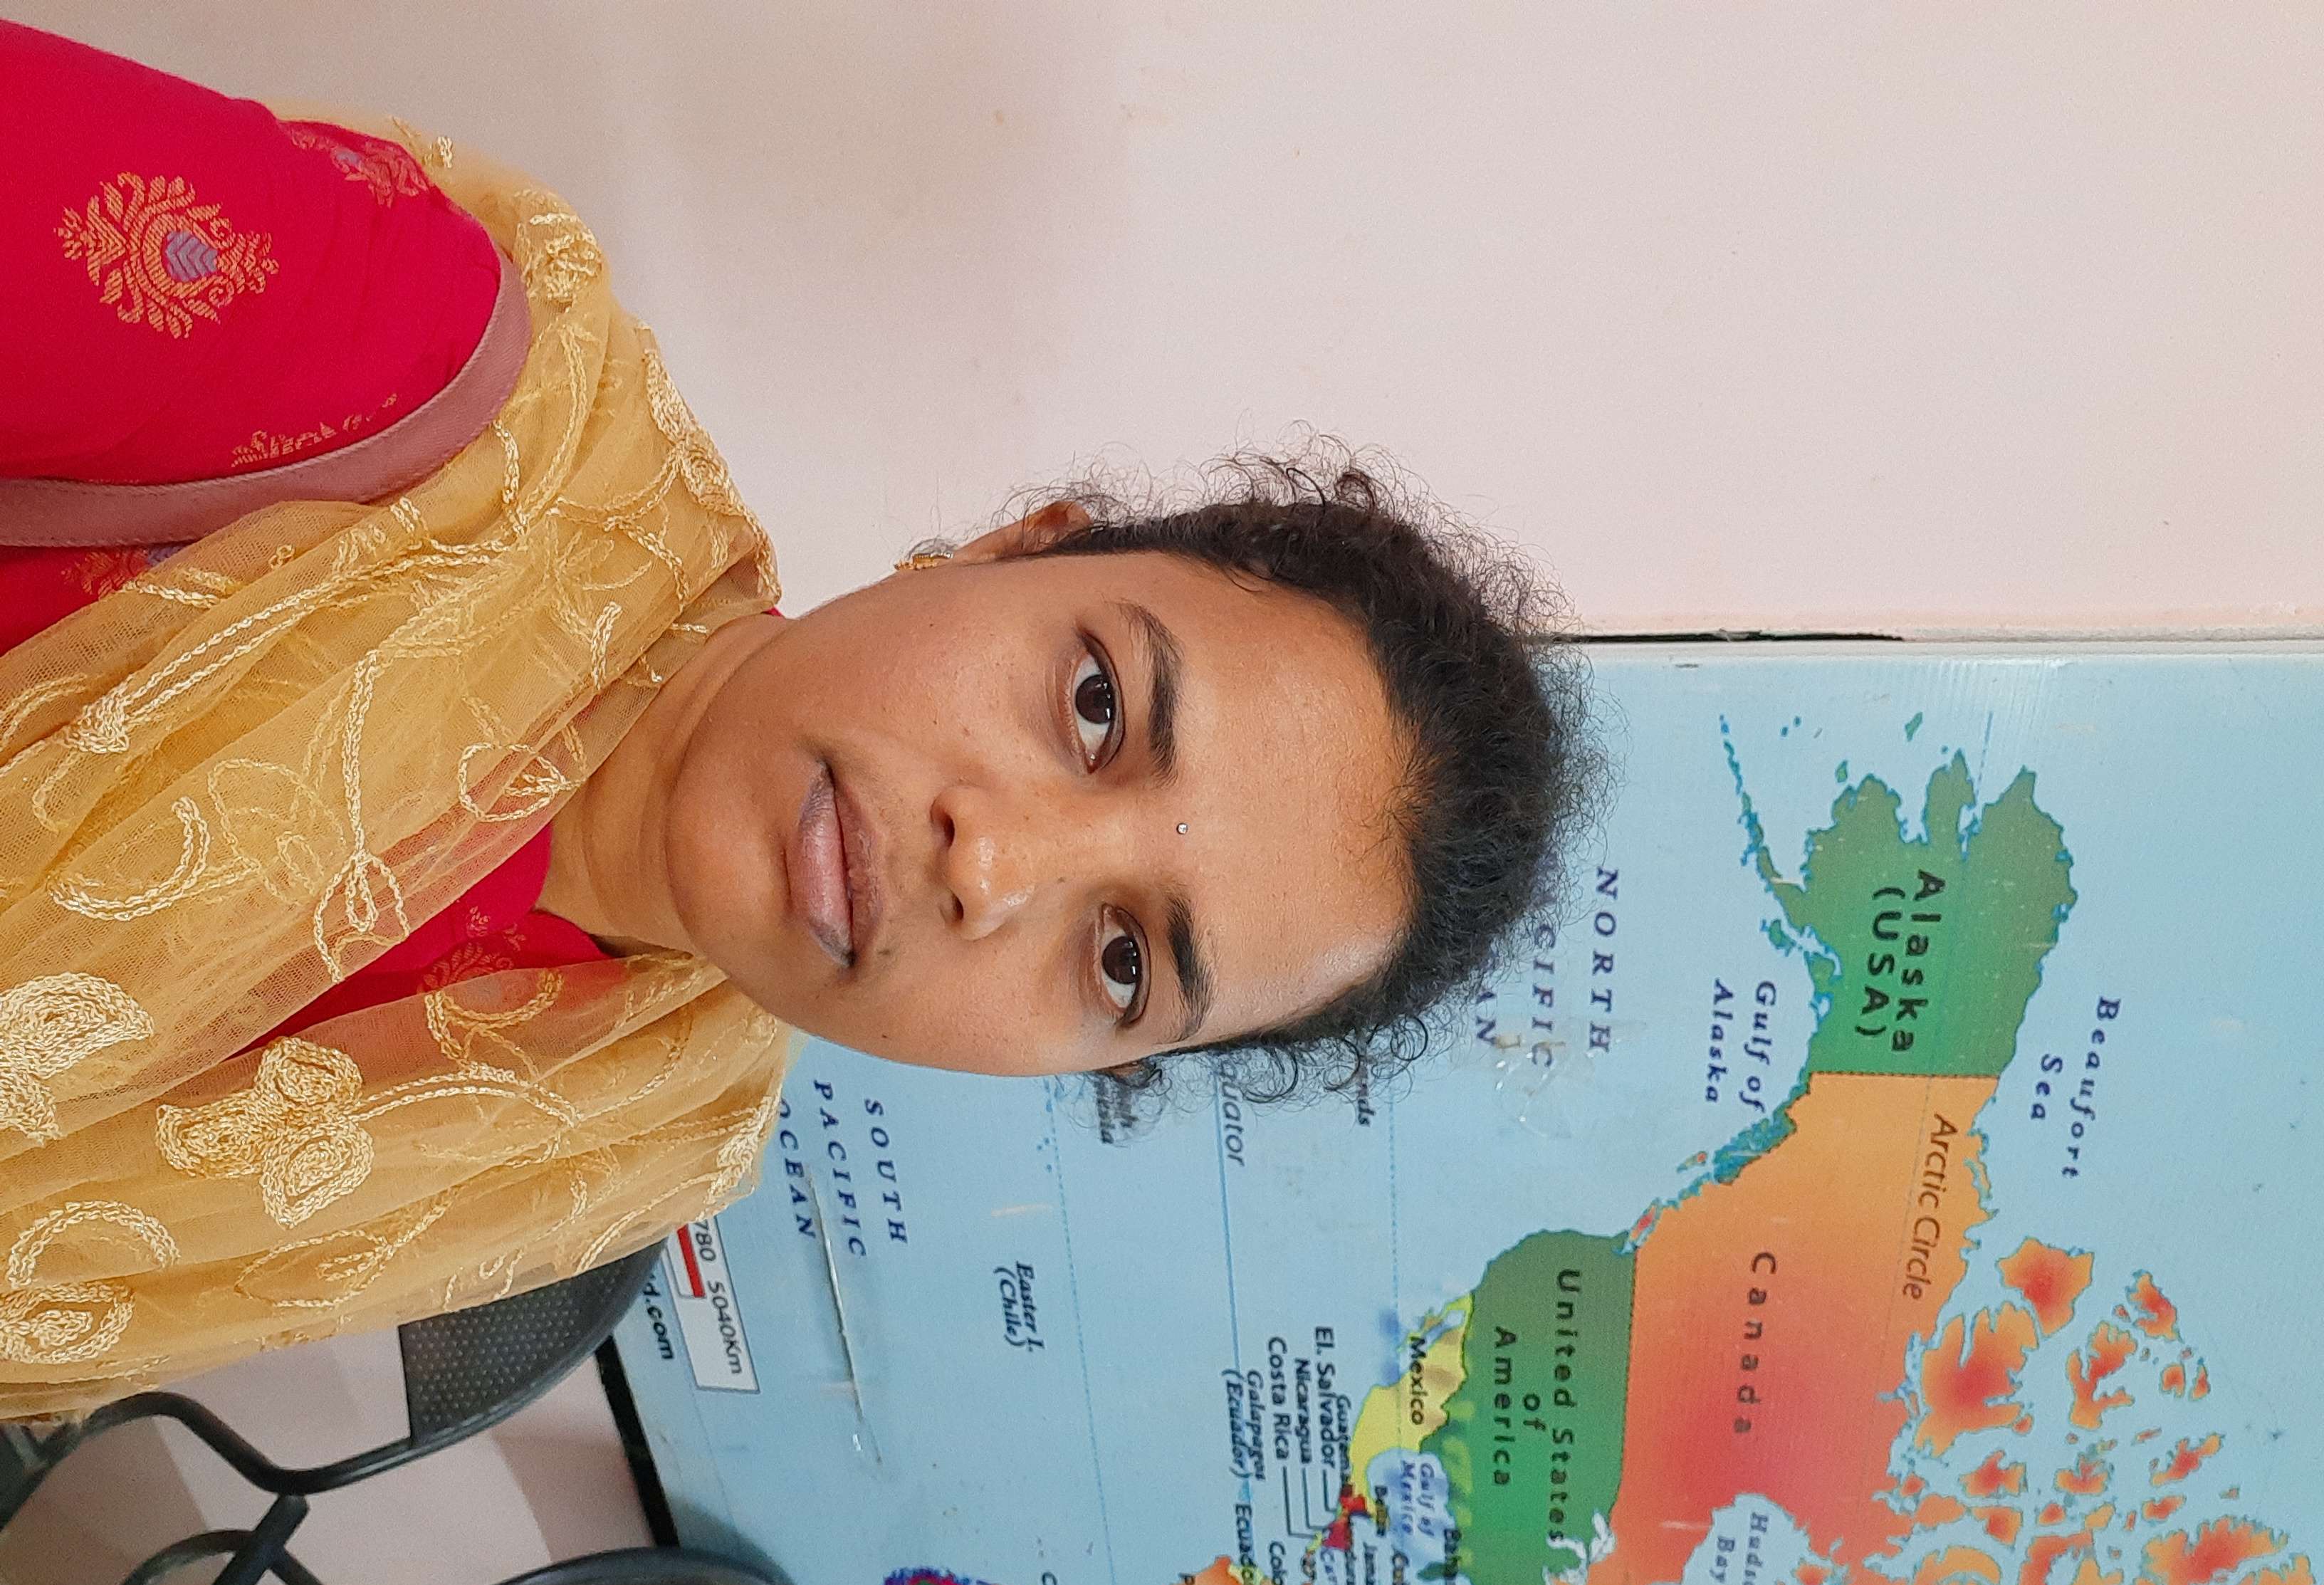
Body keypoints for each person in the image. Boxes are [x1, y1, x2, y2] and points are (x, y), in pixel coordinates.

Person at [0, 23, 1587, 1417]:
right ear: (1007, 549)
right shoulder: (406, 382)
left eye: (1124, 962)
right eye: (1098, 704)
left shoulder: (619, 1134)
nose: (994, 866)